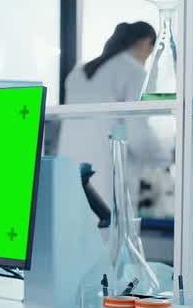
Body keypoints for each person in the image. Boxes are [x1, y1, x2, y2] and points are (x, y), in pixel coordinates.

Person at [55, 21, 165, 206]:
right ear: (146, 42)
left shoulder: (77, 73)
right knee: (108, 222)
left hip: (69, 176)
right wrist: (165, 158)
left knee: (72, 221)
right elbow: (138, 137)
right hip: (107, 181)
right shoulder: (134, 72)